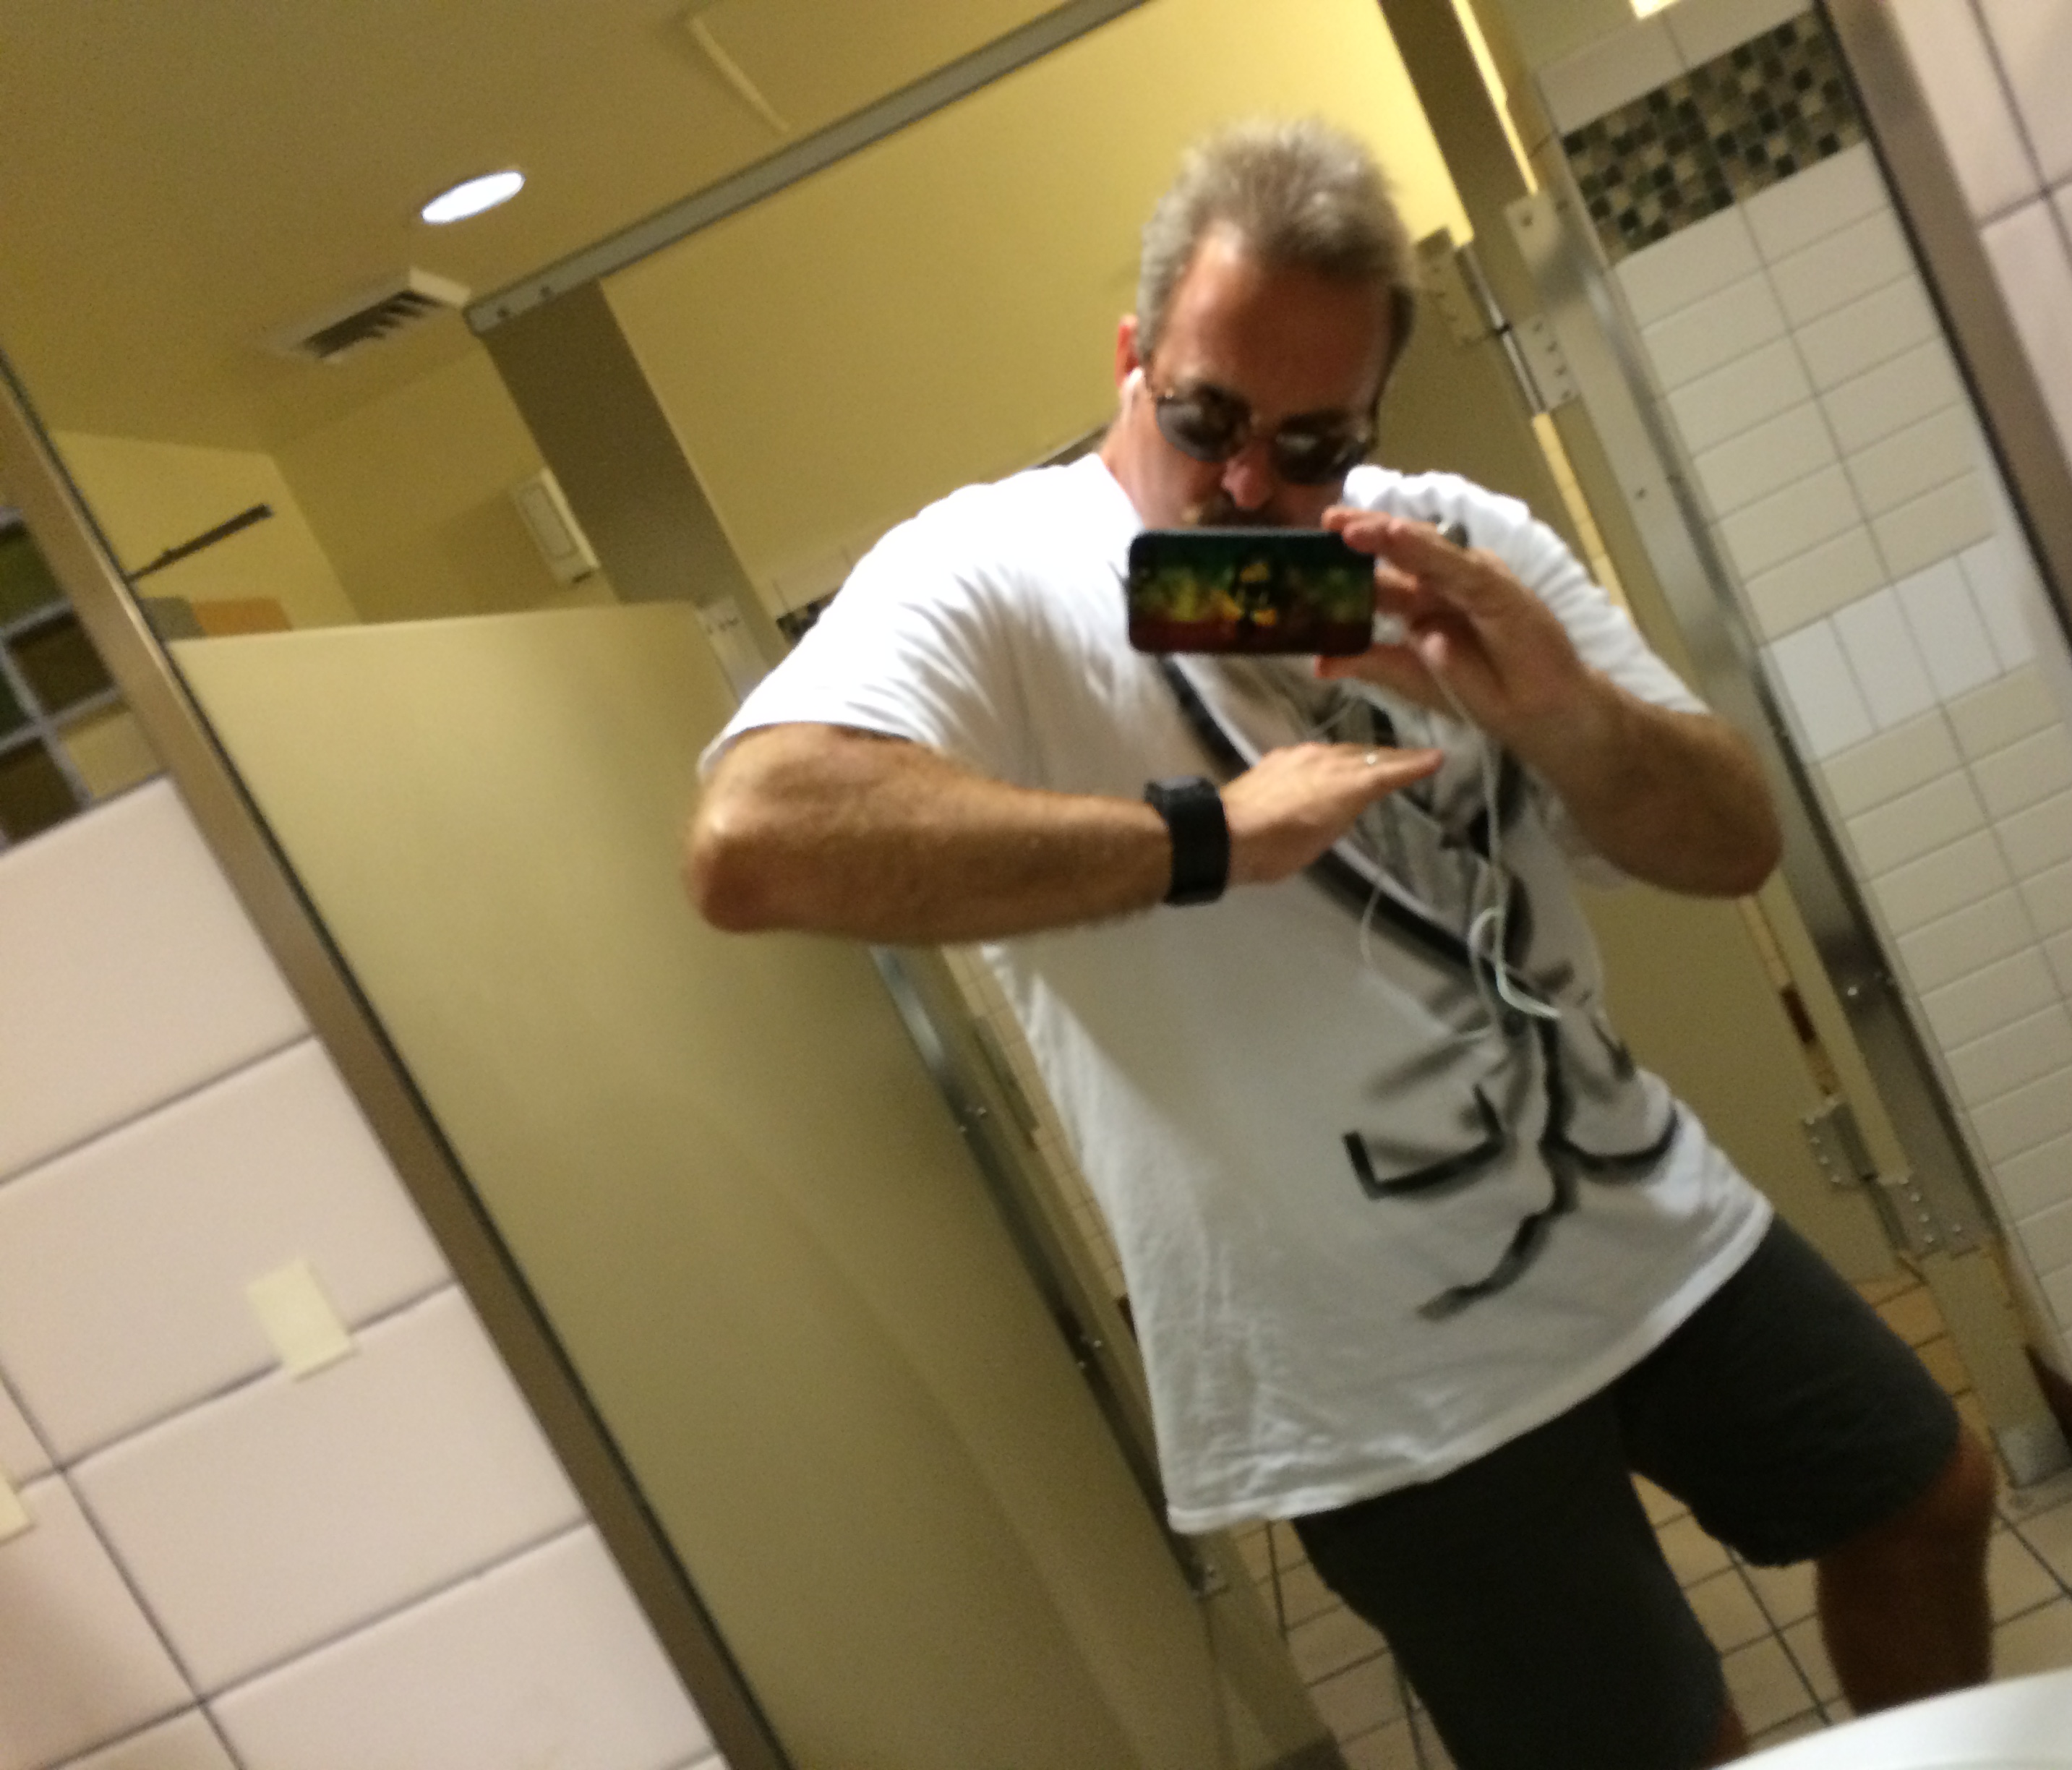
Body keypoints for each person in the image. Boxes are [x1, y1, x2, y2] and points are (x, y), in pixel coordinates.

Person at [688, 119, 1995, 1770]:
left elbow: (1731, 844)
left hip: (1634, 1209)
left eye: (1310, 445)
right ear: (1132, 356)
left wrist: (1561, 713)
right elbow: (753, 842)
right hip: (1365, 1361)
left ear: (1372, 417)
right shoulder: (995, 571)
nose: (1249, 488)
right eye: (1205, 421)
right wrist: (1203, 838)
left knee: (1926, 1495)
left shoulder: (1451, 540)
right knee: (1662, 1743)